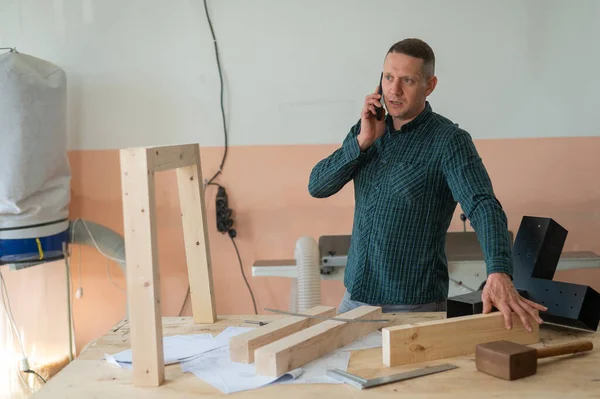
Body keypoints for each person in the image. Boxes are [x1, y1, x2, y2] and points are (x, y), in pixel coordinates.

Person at [308, 38, 546, 331]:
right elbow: (317, 186)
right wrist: (362, 142)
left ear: (429, 85)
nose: (393, 90)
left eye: (407, 80)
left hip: (412, 307)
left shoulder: (449, 141)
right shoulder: (367, 130)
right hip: (355, 300)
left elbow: (483, 205)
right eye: (388, 77)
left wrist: (498, 271)